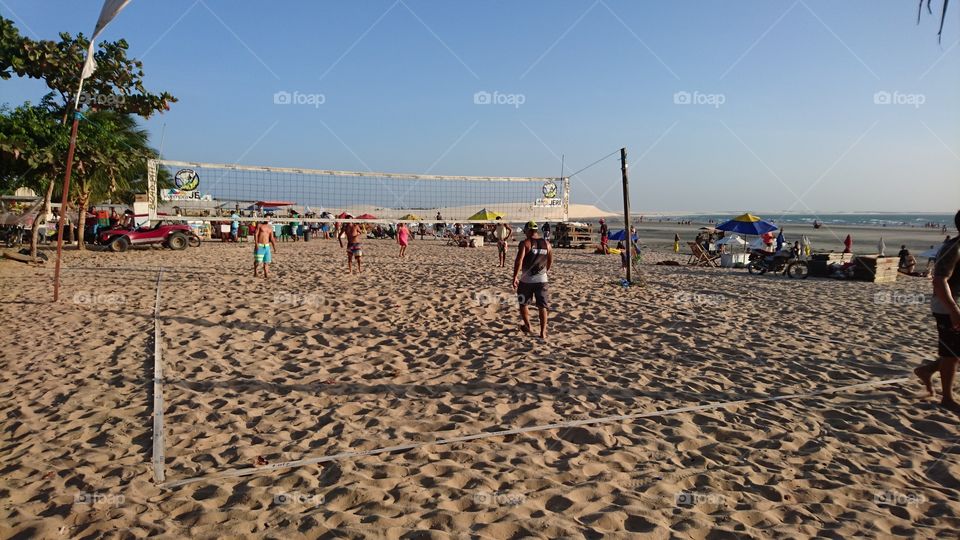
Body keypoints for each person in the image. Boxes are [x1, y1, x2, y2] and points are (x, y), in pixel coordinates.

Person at [914, 210, 960, 412]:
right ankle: (947, 399)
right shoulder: (953, 248)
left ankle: (927, 370)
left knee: (955, 351)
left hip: (953, 303)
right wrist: (954, 310)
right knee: (952, 354)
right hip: (947, 305)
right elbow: (939, 281)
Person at [513, 220, 552, 338]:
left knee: (523, 303)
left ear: (528, 230)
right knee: (542, 306)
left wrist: (515, 277)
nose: (524, 233)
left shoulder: (525, 243)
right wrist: (545, 271)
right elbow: (550, 260)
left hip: (527, 280)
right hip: (542, 280)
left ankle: (528, 326)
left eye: (525, 231)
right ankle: (543, 332)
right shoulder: (547, 243)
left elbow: (519, 261)